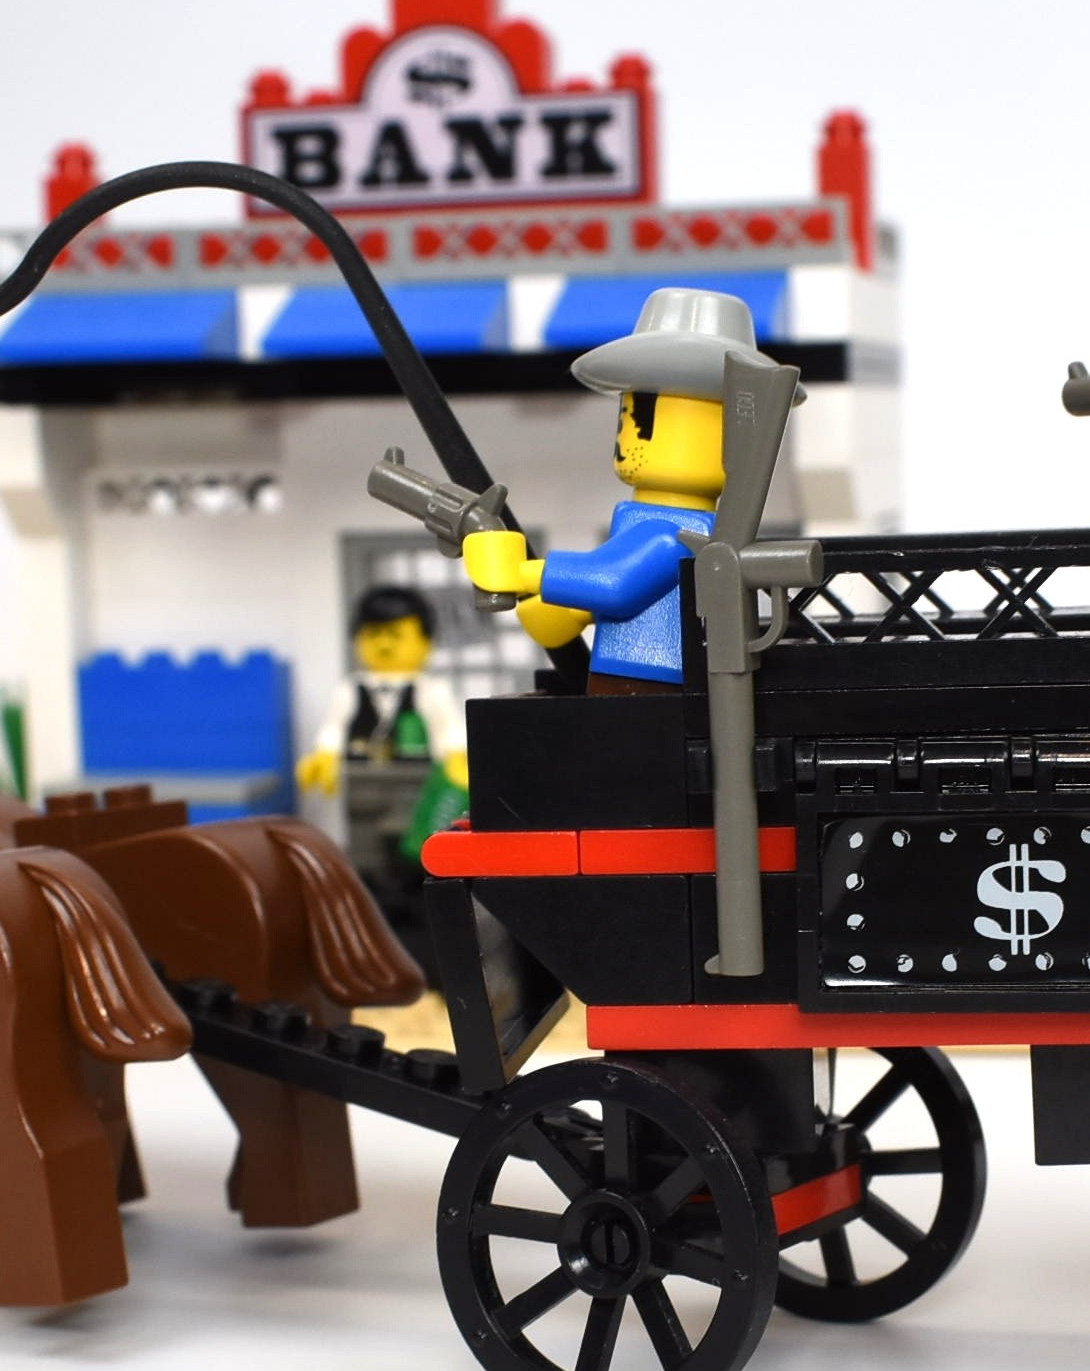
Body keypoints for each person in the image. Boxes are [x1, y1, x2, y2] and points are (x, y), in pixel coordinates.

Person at [458, 286, 799, 690]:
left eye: (643, 415)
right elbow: (616, 591)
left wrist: (520, 572)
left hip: (648, 685)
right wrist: (572, 611)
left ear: (726, 438)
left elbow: (616, 584)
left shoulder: (678, 535)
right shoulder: (652, 523)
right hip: (626, 679)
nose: (628, 433)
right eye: (626, 414)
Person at [296, 584, 466, 926]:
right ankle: (372, 906)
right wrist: (324, 756)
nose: (385, 645)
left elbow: (449, 729)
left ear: (426, 640)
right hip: (365, 780)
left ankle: (418, 899)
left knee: (416, 840)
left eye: (396, 635)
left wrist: (457, 758)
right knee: (366, 844)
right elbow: (334, 728)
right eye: (374, 635)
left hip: (418, 781)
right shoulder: (350, 689)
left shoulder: (432, 690)